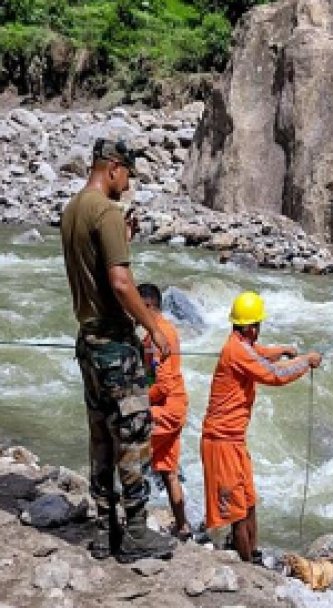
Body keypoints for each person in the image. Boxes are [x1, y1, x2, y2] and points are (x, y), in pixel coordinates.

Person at [61, 138, 176, 562]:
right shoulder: (106, 211)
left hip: (88, 342)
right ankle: (137, 535)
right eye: (127, 173)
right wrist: (155, 329)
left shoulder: (74, 209)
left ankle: (103, 533)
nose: (128, 183)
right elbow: (121, 283)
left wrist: (122, 238)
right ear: (113, 167)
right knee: (131, 435)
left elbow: (92, 268)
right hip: (115, 345)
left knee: (100, 440)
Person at [201, 291, 322, 562]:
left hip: (234, 440)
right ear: (250, 327)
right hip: (221, 441)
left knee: (249, 502)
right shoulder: (236, 351)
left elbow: (259, 354)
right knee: (237, 512)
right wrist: (305, 361)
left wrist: (282, 350)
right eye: (258, 325)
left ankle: (252, 554)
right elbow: (275, 375)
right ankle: (246, 565)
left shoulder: (240, 345)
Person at [138, 283, 191, 540]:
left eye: (136, 307)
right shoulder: (153, 333)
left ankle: (132, 522)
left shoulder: (159, 335)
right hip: (174, 406)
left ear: (147, 306)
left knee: (131, 455)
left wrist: (138, 401)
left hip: (166, 409)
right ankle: (183, 527)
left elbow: (163, 384)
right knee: (168, 471)